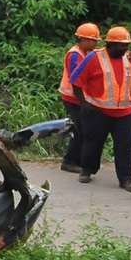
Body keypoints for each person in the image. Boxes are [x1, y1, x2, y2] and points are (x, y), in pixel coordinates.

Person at [69, 25, 131, 191]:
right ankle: (87, 170)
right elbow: (75, 80)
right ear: (110, 44)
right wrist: (84, 103)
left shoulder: (129, 58)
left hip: (125, 112)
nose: (125, 48)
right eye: (122, 45)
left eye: (127, 45)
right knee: (93, 143)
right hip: (98, 111)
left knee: (124, 147)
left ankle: (126, 179)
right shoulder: (94, 57)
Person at [58, 22, 99, 174]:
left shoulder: (85, 53)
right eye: (93, 40)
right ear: (83, 39)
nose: (95, 44)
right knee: (80, 130)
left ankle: (79, 161)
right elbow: (75, 78)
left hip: (79, 98)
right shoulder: (75, 55)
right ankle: (69, 161)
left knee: (83, 129)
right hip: (72, 98)